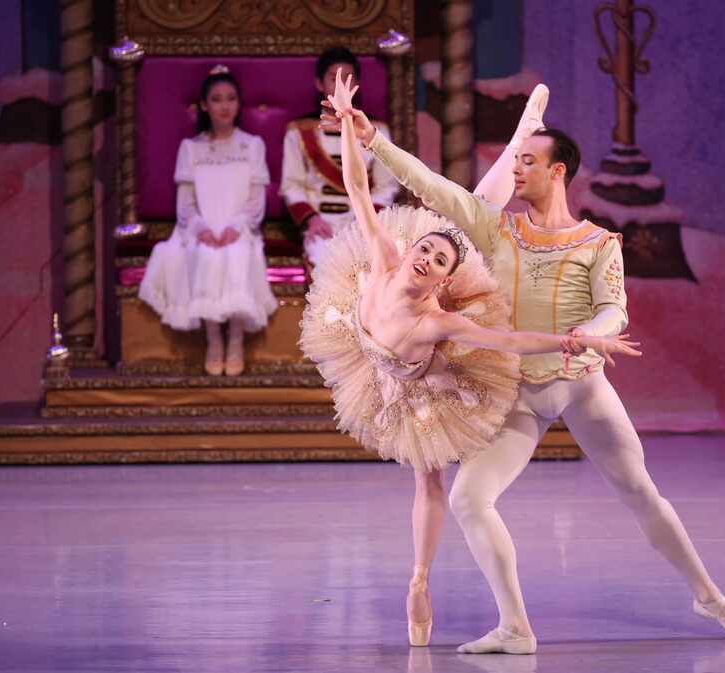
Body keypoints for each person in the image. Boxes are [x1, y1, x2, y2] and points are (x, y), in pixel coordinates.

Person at [320, 83, 725, 652]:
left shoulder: (599, 243)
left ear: (557, 173)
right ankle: (515, 627)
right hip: (518, 394)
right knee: (467, 500)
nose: (514, 168)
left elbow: (613, 309)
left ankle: (710, 596)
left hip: (581, 387)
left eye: (526, 160)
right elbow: (432, 187)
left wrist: (591, 336)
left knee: (641, 492)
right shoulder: (495, 228)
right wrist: (374, 140)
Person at [302, 71, 641, 649]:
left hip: (424, 381)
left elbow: (508, 343)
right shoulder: (386, 260)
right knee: (470, 208)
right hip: (364, 349)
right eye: (424, 249)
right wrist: (353, 134)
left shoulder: (439, 319)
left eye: (436, 261)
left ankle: (420, 579)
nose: (425, 258)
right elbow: (359, 192)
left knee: (429, 477)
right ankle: (522, 135)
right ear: (408, 248)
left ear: (442, 281)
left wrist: (571, 340)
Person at [139, 65, 277, 376]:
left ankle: (237, 339)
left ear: (239, 103)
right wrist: (201, 228)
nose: (224, 106)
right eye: (216, 99)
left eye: (230, 98)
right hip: (199, 227)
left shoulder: (252, 145)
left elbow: (256, 198)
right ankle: (214, 339)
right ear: (204, 104)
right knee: (203, 254)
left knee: (238, 252)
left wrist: (236, 227)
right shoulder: (191, 149)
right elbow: (185, 202)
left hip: (240, 226)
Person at [280, 46, 399, 266]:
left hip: (363, 224)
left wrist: (364, 221)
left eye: (348, 78)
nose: (341, 86)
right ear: (319, 84)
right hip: (320, 224)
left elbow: (387, 187)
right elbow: (291, 185)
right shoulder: (299, 132)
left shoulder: (376, 130)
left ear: (356, 85)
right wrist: (312, 221)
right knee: (323, 260)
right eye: (334, 79)